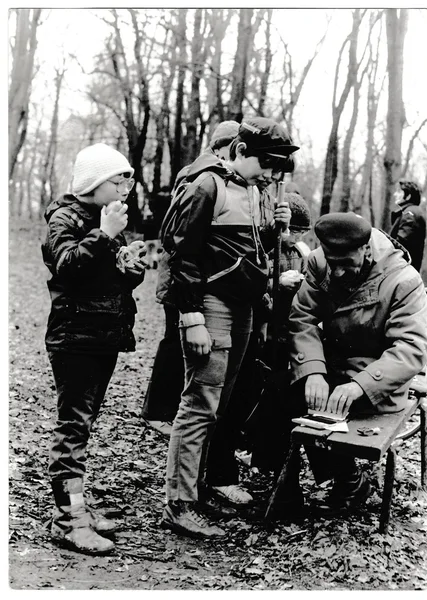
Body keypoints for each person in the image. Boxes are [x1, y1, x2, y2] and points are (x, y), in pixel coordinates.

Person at [160, 117, 298, 538]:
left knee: (221, 402)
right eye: (268, 164)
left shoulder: (255, 191)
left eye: (279, 168)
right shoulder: (206, 185)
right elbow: (181, 253)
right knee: (201, 400)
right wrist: (192, 317)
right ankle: (179, 503)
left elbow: (252, 251)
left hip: (245, 306)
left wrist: (279, 226)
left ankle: (198, 491)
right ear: (239, 151)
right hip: (211, 305)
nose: (274, 175)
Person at [278, 212, 427, 518]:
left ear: (367, 250)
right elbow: (302, 318)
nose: (336, 273)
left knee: (330, 406)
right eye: (331, 264)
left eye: (346, 264)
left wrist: (360, 384)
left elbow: (411, 349)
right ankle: (288, 487)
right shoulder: (320, 262)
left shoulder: (403, 280)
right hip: (332, 368)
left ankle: (348, 481)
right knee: (283, 389)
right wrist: (312, 371)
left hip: (376, 381)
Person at [41, 143, 148, 555]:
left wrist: (129, 270)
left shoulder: (103, 218)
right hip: (75, 337)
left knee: (82, 426)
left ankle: (79, 510)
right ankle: (69, 519)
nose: (128, 186)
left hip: (101, 335)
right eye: (120, 178)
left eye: (129, 178)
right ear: (96, 182)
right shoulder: (65, 218)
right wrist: (104, 235)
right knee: (73, 428)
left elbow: (103, 281)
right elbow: (66, 266)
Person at [205, 191, 312, 505]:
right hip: (248, 329)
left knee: (261, 398)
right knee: (233, 401)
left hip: (274, 335)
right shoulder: (260, 245)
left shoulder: (300, 252)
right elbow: (248, 284)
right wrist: (273, 287)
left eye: (299, 234)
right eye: (291, 232)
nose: (294, 239)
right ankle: (219, 474)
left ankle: (256, 459)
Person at [141, 121, 240, 435]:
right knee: (173, 341)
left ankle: (167, 410)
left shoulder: (209, 174)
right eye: (230, 149)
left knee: (176, 343)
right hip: (179, 277)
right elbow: (178, 234)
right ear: (218, 147)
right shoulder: (198, 176)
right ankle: (157, 412)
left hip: (188, 275)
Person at [389, 180, 426, 272]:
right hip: (403, 270)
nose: (395, 194)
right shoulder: (410, 212)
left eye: (398, 192)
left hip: (401, 271)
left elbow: (401, 245)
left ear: (408, 196)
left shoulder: (410, 213)